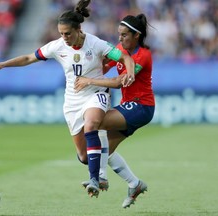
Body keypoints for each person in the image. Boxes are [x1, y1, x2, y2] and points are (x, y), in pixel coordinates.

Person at [0, 0, 135, 198]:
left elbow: (124, 57)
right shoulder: (57, 46)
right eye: (61, 33)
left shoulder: (96, 43)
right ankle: (127, 178)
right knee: (84, 156)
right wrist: (3, 64)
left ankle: (95, 180)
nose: (64, 37)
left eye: (67, 33)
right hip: (72, 101)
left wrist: (130, 72)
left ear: (79, 29)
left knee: (91, 125)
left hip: (95, 93)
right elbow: (30, 58)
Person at [75, 13, 155, 208]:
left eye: (125, 35)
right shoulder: (120, 49)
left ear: (136, 35)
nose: (120, 39)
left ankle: (100, 177)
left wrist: (89, 81)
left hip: (141, 106)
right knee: (103, 152)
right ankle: (134, 184)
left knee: (95, 121)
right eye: (119, 34)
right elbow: (103, 66)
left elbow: (120, 82)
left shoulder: (143, 55)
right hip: (129, 106)